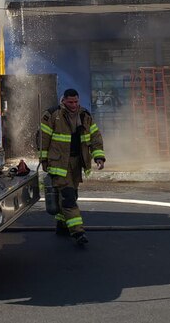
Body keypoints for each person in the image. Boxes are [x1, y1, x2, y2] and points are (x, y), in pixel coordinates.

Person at [39, 88, 105, 246]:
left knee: (72, 195)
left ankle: (62, 225)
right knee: (68, 197)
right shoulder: (52, 115)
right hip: (59, 163)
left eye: (76, 101)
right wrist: (43, 159)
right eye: (70, 102)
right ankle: (78, 231)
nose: (74, 105)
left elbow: (95, 137)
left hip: (77, 162)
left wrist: (99, 156)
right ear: (63, 101)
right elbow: (43, 139)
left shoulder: (85, 116)